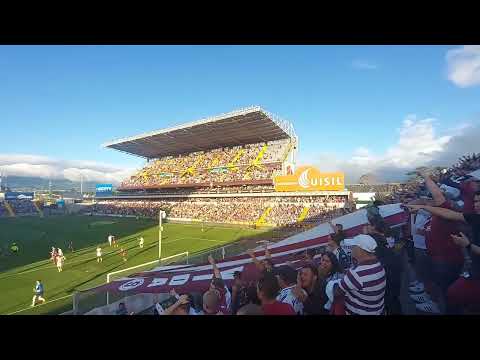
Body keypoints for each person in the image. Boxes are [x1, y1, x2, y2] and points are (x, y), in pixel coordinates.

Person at [407, 190, 480, 313]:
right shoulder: (475, 217)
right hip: (472, 269)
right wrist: (422, 207)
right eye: (476, 201)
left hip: (450, 261)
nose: (476, 204)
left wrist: (467, 245)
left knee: (452, 293)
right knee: (452, 293)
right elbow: (448, 214)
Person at [333, 234, 386, 315]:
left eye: (353, 246)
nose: (351, 249)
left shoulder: (356, 274)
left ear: (359, 250)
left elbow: (337, 291)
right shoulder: (379, 265)